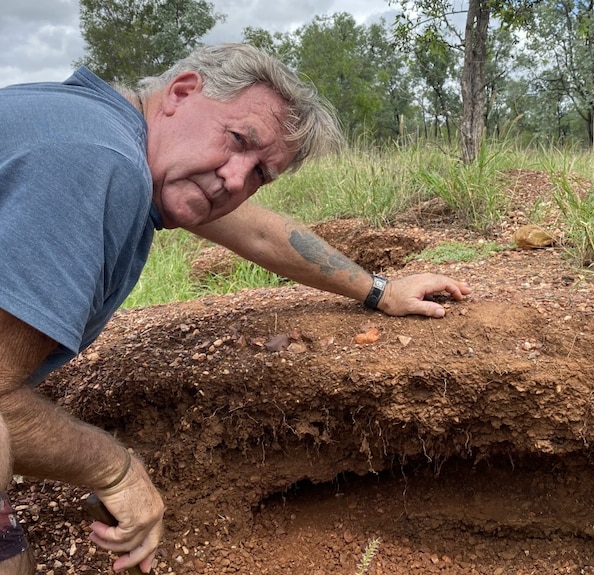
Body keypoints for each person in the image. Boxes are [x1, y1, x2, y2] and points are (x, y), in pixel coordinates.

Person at [0, 43, 471, 574]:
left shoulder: (101, 127)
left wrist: (379, 289)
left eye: (259, 174)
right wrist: (117, 470)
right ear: (182, 92)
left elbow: (259, 232)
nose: (234, 179)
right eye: (238, 140)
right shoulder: (99, 161)